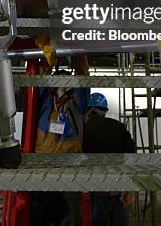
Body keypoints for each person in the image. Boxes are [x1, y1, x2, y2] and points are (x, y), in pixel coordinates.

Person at [32, 55, 90, 226]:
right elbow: (39, 81)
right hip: (42, 168)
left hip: (69, 169)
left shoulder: (78, 103)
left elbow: (83, 78)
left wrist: (79, 53)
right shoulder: (45, 102)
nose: (63, 81)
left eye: (67, 79)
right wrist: (49, 57)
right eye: (59, 78)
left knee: (69, 219)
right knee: (39, 216)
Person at [83, 93, 136, 226]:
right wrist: (129, 189)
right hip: (119, 188)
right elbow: (131, 155)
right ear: (105, 110)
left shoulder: (84, 129)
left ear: (89, 110)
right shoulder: (119, 126)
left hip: (98, 189)